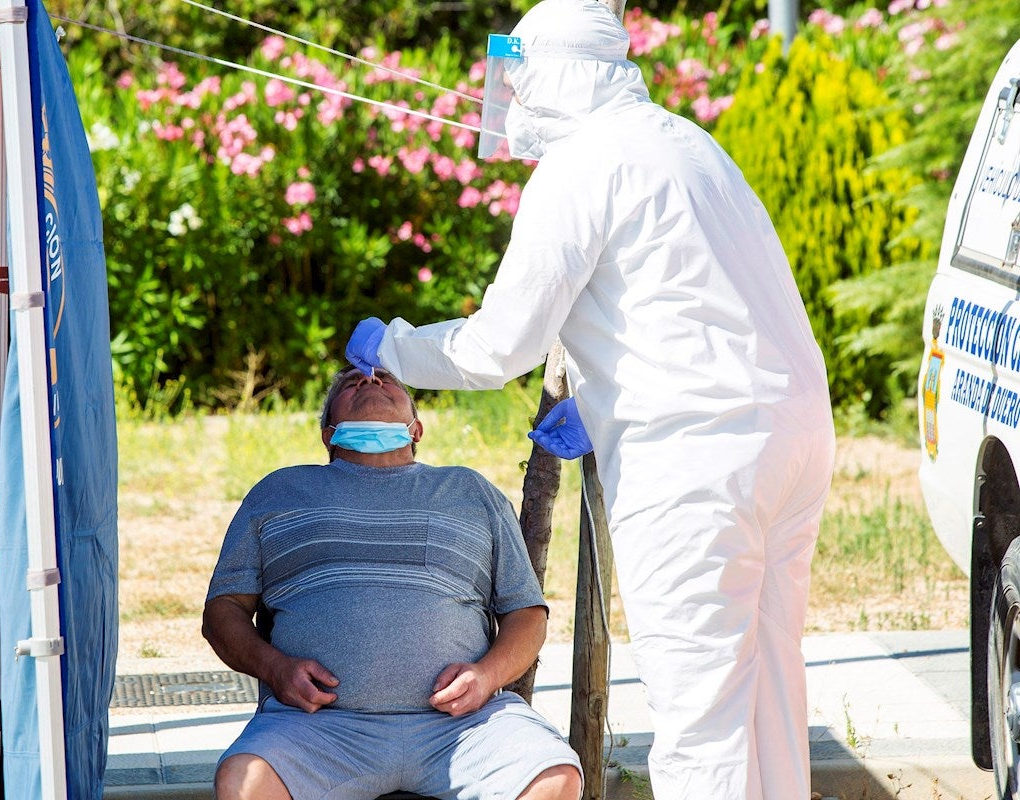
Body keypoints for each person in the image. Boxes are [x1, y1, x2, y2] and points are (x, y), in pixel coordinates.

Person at [342, 1, 836, 798]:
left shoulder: (581, 164)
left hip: (694, 459)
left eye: (521, 79)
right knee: (768, 683)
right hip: (790, 437)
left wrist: (391, 344)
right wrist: (603, 404)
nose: (515, 101)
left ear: (554, 73)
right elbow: (690, 301)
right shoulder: (687, 141)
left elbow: (501, 344)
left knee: (700, 712)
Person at [202, 365, 583, 800]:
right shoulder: (280, 492)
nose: (369, 380)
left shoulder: (469, 490)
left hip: (463, 728)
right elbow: (221, 612)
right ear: (328, 435)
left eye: (387, 381)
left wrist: (485, 676)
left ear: (416, 429)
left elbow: (527, 614)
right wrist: (273, 668)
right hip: (316, 730)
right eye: (352, 383)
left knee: (554, 777)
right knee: (242, 780)